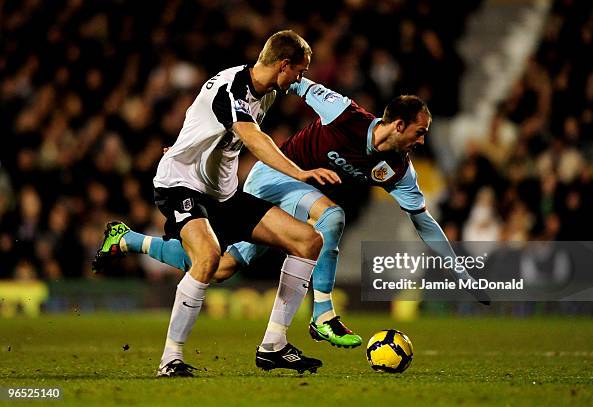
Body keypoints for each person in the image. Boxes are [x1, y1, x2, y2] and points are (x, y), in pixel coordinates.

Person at [96, 75, 489, 360]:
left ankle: (129, 240)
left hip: (298, 194)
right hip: (274, 176)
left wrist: (459, 270)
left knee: (218, 265)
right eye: (419, 132)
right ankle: (322, 314)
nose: (422, 141)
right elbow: (293, 81)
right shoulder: (344, 113)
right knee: (331, 219)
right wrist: (200, 145)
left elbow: (424, 223)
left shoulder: (400, 170)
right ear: (398, 125)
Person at [95, 30, 343, 377]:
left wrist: (185, 144)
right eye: (299, 71)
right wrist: (298, 173)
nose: (300, 79)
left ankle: (274, 345)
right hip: (181, 185)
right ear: (283, 65)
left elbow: (208, 127)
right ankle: (171, 359)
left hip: (222, 193)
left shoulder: (266, 93)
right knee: (208, 257)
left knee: (307, 241)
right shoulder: (231, 88)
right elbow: (252, 137)